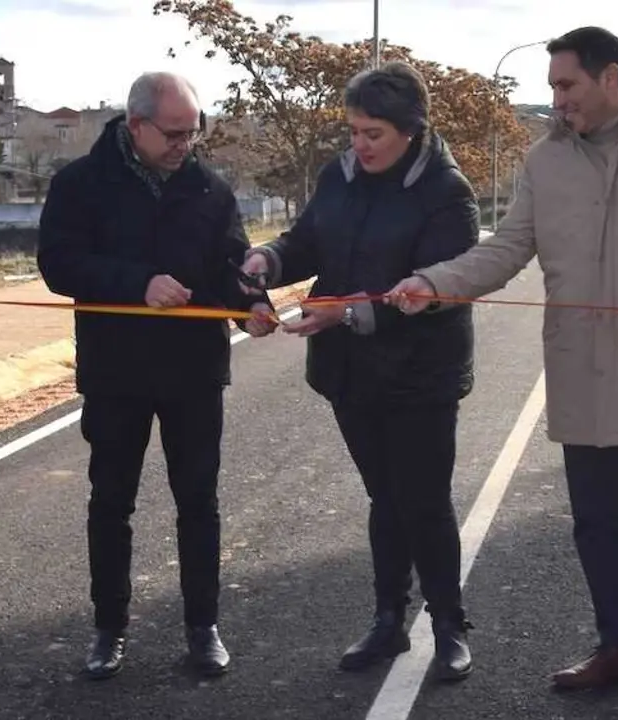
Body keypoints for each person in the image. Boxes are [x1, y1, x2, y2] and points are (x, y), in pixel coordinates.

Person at [387, 26, 618, 719]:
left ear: (611, 78)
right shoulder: (543, 161)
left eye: (566, 85)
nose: (555, 100)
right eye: (552, 87)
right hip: (581, 373)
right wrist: (434, 282)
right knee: (595, 525)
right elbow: (506, 249)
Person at [238, 61, 480, 681]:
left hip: (421, 374)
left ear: (409, 129)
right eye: (354, 131)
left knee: (423, 499)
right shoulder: (339, 175)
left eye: (373, 133)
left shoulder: (448, 194)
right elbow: (310, 240)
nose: (359, 144)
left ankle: (449, 624)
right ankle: (387, 621)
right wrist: (271, 257)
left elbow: (436, 295)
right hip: (352, 374)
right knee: (385, 497)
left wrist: (343, 314)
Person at [36, 72, 272, 680]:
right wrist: (136, 285)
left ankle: (203, 628)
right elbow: (59, 264)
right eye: (172, 134)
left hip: (194, 372)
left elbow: (228, 267)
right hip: (116, 372)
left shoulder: (209, 188)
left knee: (199, 501)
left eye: (193, 134)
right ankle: (108, 629)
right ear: (135, 124)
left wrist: (251, 305)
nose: (183, 146)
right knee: (111, 502)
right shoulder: (80, 184)